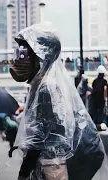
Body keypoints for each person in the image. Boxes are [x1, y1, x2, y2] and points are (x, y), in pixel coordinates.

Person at [8, 24, 108, 180]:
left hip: (50, 168)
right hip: (47, 165)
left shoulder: (46, 88)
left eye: (24, 54)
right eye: (19, 53)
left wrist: (23, 172)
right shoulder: (41, 85)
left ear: (41, 56)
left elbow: (40, 138)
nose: (19, 60)